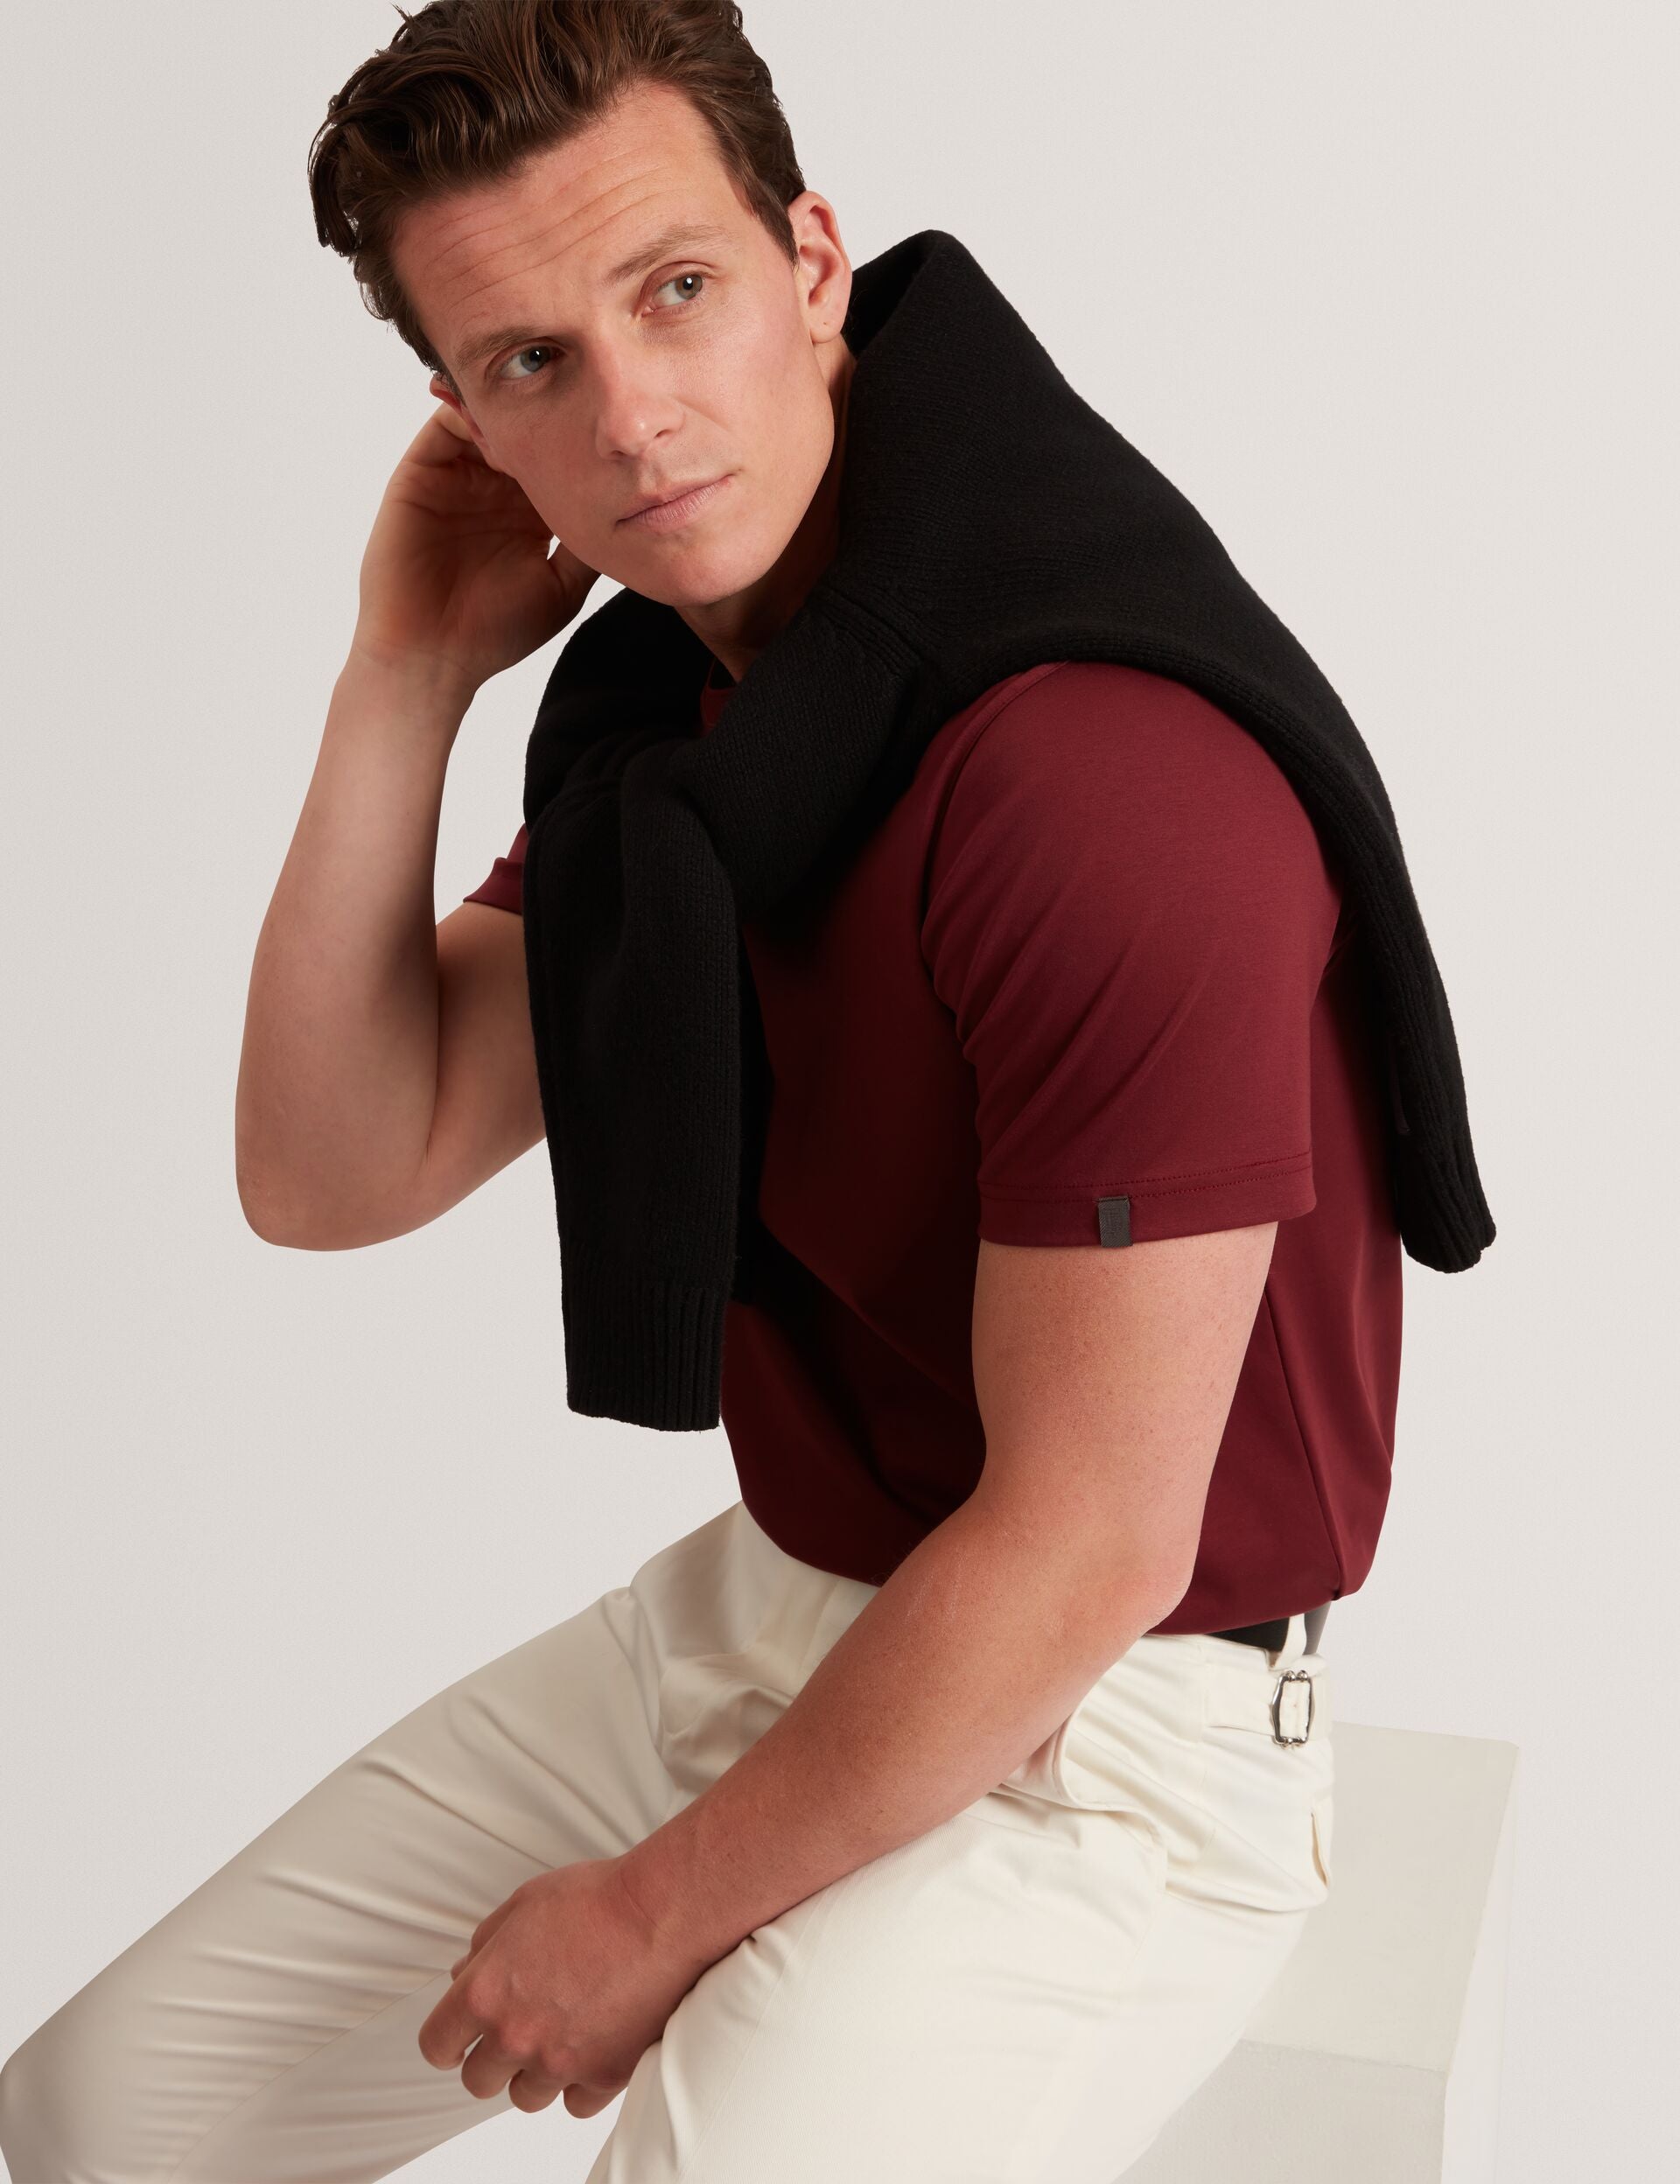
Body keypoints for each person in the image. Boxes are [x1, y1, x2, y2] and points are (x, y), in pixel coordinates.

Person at [2, 3, 1440, 2177]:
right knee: (108, 2123)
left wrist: (654, 1912)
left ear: (814, 263)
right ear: (466, 420)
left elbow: (1090, 1545)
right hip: (781, 1603)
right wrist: (405, 668)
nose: (633, 416)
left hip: (1130, 1727)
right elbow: (330, 1168)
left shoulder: (1097, 775)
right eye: (531, 360)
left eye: (674, 289)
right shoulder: (680, 734)